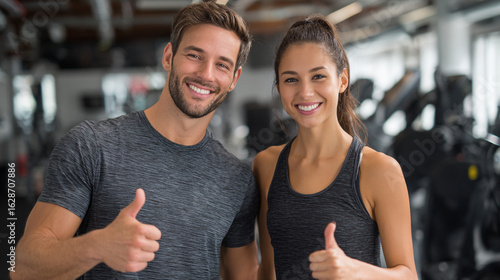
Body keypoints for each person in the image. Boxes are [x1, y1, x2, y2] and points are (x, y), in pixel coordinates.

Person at [12, 1, 259, 279]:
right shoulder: (91, 146)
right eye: (195, 55)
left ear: (235, 78)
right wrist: (97, 246)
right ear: (168, 57)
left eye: (222, 65)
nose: (206, 74)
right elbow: (25, 269)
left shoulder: (237, 179)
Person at [253, 15, 418, 280]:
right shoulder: (266, 165)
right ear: (279, 87)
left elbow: (408, 275)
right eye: (291, 79)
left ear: (342, 81)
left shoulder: (378, 170)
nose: (305, 92)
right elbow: (267, 270)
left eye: (318, 76)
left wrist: (355, 270)